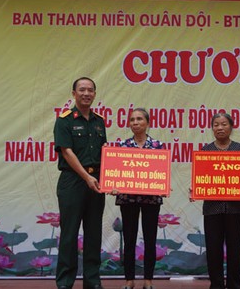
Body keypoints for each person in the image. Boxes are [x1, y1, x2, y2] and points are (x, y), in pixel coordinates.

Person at [54, 77, 107, 289]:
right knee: (69, 234)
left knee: (94, 234)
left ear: (95, 94)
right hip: (73, 182)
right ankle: (65, 282)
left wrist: (111, 179)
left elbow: (105, 154)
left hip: (96, 182)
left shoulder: (99, 121)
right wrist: (87, 177)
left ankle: (92, 282)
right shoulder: (64, 120)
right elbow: (67, 152)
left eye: (90, 90)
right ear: (74, 93)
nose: (86, 93)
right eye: (82, 90)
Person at [116, 108, 165, 289]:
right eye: (132, 120)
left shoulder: (157, 146)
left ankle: (148, 280)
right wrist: (113, 185)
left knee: (150, 239)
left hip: (151, 200)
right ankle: (129, 280)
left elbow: (161, 173)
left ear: (147, 122)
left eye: (139, 119)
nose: (135, 122)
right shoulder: (123, 146)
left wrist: (164, 184)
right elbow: (117, 173)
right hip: (128, 199)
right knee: (129, 239)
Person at [200, 113, 240, 289]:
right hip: (212, 207)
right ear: (212, 128)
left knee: (235, 248)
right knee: (213, 249)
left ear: (231, 127)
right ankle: (217, 284)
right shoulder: (205, 151)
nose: (220, 128)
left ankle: (235, 284)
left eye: (224, 124)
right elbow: (202, 177)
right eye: (216, 125)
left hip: (235, 207)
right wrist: (196, 188)